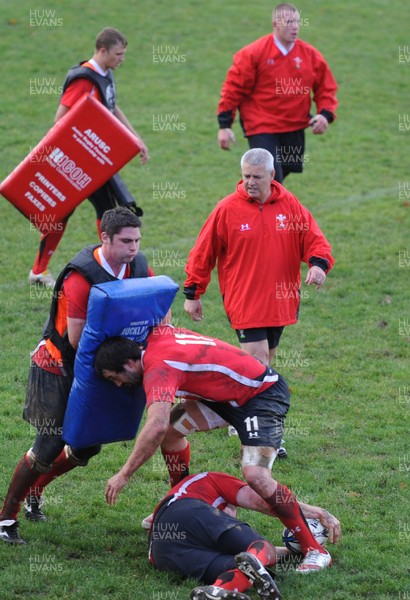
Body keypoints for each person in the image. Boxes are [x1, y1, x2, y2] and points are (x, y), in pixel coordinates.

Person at [95, 326, 333, 572]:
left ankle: (314, 549)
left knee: (256, 475)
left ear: (130, 362)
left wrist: (123, 474)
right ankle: (180, 503)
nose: (119, 385)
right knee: (170, 434)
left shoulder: (158, 368)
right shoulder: (157, 334)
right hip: (221, 398)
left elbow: (155, 425)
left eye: (116, 377)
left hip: (261, 396)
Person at [0, 207, 153, 545]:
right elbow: (77, 339)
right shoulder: (81, 276)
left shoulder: (138, 265)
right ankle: (6, 518)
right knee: (48, 446)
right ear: (105, 239)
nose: (133, 248)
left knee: (87, 446)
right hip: (58, 365)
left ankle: (35, 492)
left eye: (137, 240)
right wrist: (128, 356)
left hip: (103, 365)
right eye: (126, 241)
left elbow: (155, 305)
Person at [183, 148, 334, 367]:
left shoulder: (289, 205)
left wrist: (318, 265)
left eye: (257, 177)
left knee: (267, 360)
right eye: (246, 176)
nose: (250, 182)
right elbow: (203, 252)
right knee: (257, 360)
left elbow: (313, 239)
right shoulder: (227, 209)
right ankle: (252, 400)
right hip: (244, 298)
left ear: (272, 175)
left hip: (279, 298)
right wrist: (192, 292)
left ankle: (254, 399)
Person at [29, 27, 150, 288]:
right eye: (118, 54)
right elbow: (60, 120)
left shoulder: (104, 74)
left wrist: (134, 137)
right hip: (76, 162)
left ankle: (110, 267)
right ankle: (40, 271)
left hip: (95, 162)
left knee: (106, 210)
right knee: (62, 214)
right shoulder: (84, 79)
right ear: (103, 50)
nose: (122, 59)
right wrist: (87, 144)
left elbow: (112, 105)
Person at [149, 471, 341, 599]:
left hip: (161, 552)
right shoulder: (209, 480)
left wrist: (292, 552)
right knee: (260, 546)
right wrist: (316, 512)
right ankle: (228, 585)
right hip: (185, 512)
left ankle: (218, 590)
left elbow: (249, 562)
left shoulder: (183, 512)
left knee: (241, 568)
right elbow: (262, 501)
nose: (233, 516)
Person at [217, 3, 338, 183]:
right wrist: (224, 125)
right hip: (261, 125)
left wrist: (324, 115)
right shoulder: (253, 53)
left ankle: (253, 199)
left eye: (297, 22)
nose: (295, 26)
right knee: (271, 178)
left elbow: (325, 87)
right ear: (275, 24)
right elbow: (233, 88)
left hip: (294, 125)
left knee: (284, 172)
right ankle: (257, 204)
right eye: (289, 22)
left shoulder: (310, 55)